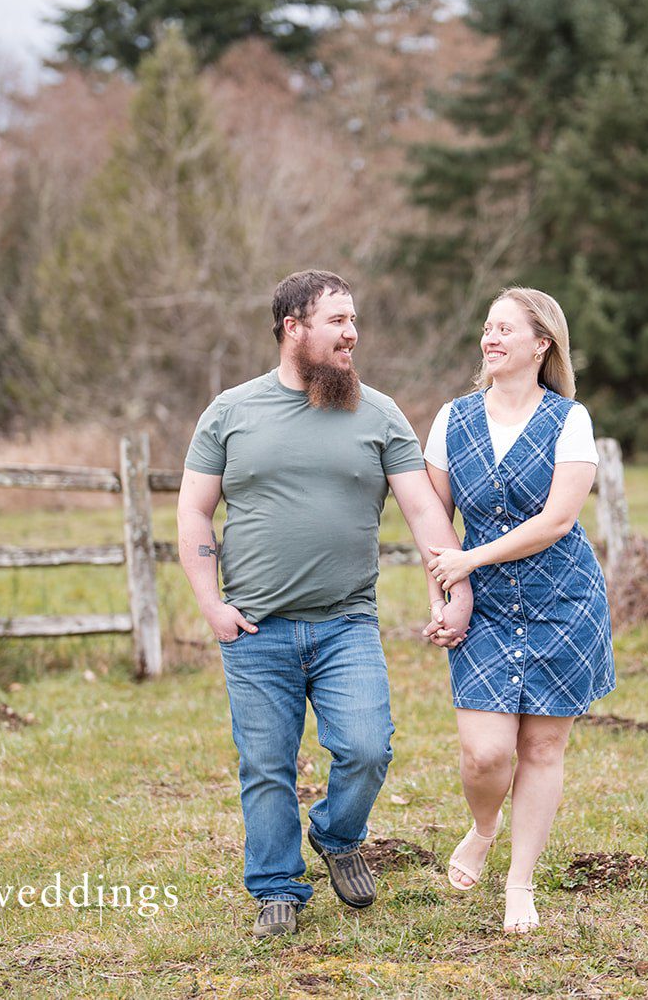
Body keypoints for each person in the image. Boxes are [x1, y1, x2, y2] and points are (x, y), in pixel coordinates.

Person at [177, 269, 472, 939]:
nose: (352, 334)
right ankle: (277, 887)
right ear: (293, 327)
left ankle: (338, 834)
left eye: (354, 320)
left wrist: (458, 586)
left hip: (346, 624)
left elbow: (423, 507)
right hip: (255, 628)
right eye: (338, 320)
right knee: (267, 765)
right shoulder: (230, 411)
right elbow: (194, 510)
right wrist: (211, 605)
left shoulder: (379, 413)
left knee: (368, 748)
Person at [420, 287, 615, 934]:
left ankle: (519, 883)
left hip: (564, 601)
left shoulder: (570, 419)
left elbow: (558, 520)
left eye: (505, 328)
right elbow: (434, 525)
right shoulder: (452, 420)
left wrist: (472, 561)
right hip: (486, 611)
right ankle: (484, 824)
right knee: (485, 754)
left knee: (542, 746)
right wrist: (443, 597)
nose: (490, 338)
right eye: (487, 327)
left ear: (543, 342)